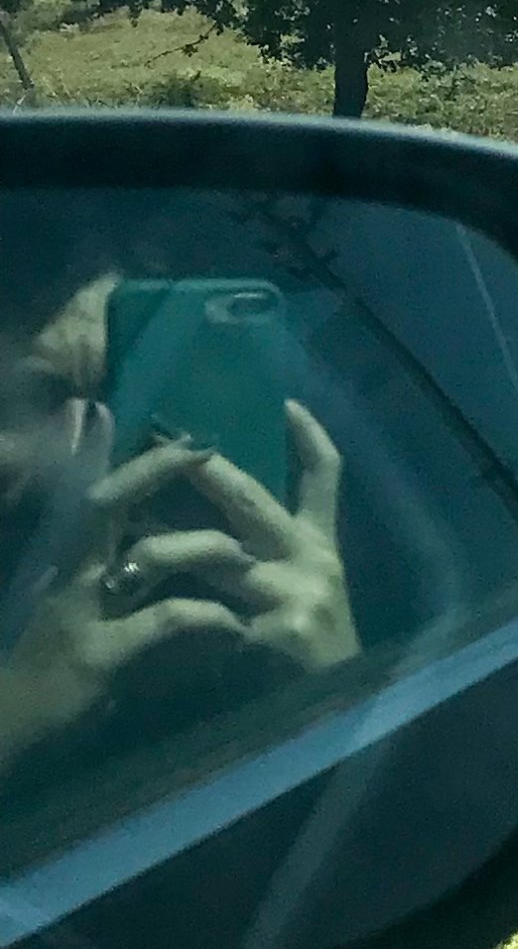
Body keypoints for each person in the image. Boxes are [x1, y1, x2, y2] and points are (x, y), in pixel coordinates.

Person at [0, 271, 357, 803]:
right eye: (17, 397)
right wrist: (20, 703)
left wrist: (338, 700)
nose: (3, 452)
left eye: (126, 406)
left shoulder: (271, 638)